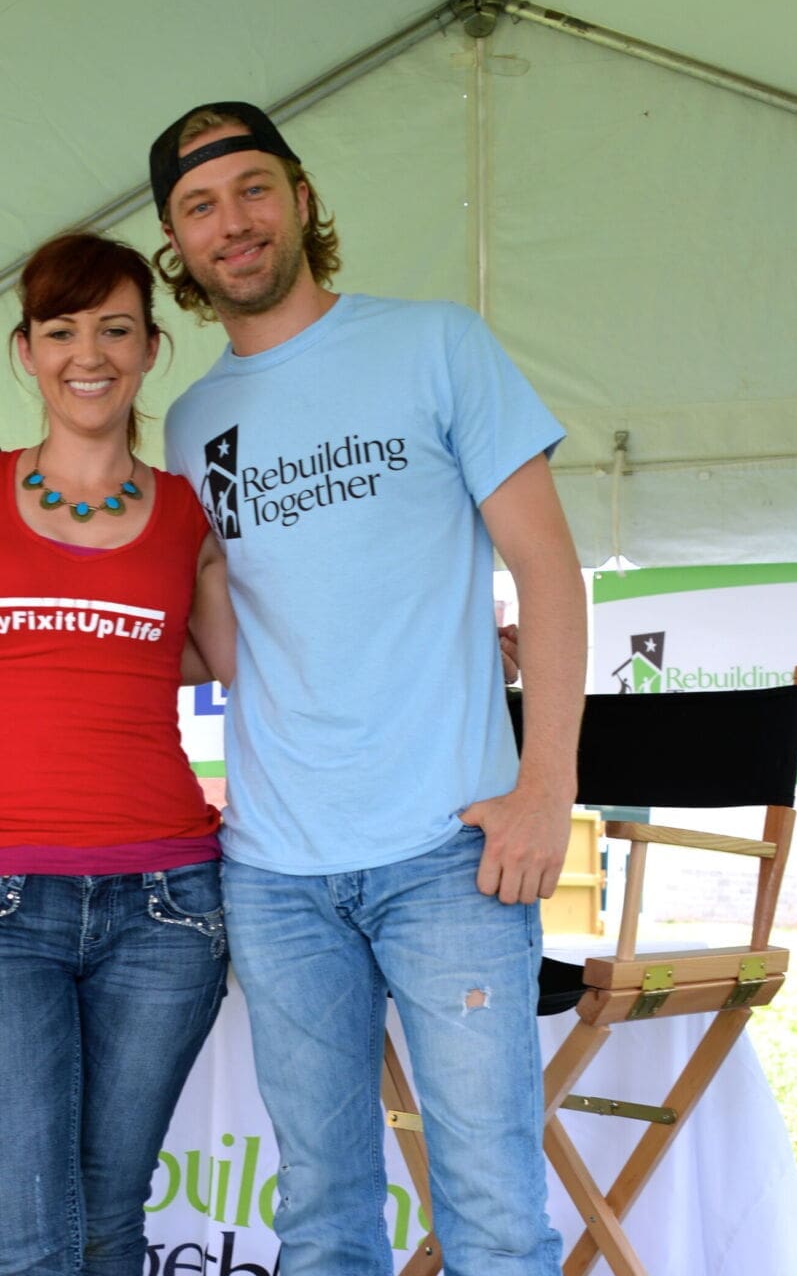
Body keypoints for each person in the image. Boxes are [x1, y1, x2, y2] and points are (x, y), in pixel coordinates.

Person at [149, 101, 586, 1276]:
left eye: (251, 189)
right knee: (322, 1221)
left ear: (300, 197)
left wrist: (547, 787)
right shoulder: (192, 427)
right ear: (176, 250)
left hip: (453, 848)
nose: (231, 223)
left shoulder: (437, 345)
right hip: (277, 872)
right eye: (199, 207)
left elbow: (547, 568)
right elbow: (206, 642)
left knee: (494, 1215)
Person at [0, 232, 235, 1276]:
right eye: (60, 330)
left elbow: (269, 670)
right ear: (25, 349)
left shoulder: (190, 512)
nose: (86, 352)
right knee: (22, 1242)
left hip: (168, 904)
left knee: (108, 1225)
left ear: (152, 348)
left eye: (113, 328)